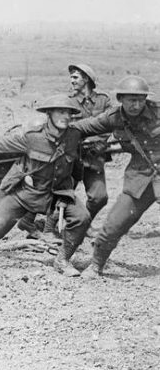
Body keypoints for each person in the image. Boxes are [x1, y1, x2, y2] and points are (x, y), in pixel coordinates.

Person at [0, 95, 91, 276]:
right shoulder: (33, 137)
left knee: (82, 216)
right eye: (60, 112)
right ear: (49, 114)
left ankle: (62, 260)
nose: (66, 116)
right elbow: (1, 143)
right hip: (27, 193)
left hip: (57, 193)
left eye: (69, 113)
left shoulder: (73, 136)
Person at [68, 76, 160, 279]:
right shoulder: (115, 117)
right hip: (141, 179)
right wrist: (59, 131)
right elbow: (84, 127)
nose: (136, 105)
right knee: (114, 225)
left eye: (140, 100)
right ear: (121, 99)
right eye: (131, 100)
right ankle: (96, 266)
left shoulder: (158, 111)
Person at [66, 63, 112, 236]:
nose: (72, 81)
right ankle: (49, 228)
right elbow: (67, 127)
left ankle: (84, 223)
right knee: (62, 194)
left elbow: (110, 125)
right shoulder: (68, 102)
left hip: (95, 157)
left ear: (86, 79)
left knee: (99, 197)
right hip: (73, 156)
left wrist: (99, 143)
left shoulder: (103, 100)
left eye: (75, 77)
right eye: (71, 77)